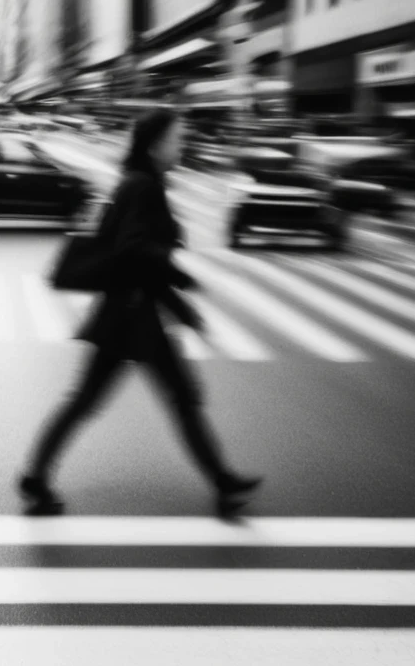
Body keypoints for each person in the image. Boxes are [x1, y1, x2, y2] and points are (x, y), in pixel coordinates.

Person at [18, 107, 262, 521]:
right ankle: (222, 483)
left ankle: (223, 482)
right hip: (132, 317)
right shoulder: (142, 186)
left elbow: (139, 255)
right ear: (155, 145)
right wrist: (181, 278)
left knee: (114, 399)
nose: (182, 145)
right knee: (168, 398)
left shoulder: (143, 183)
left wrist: (181, 301)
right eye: (177, 138)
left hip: (131, 313)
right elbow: (132, 250)